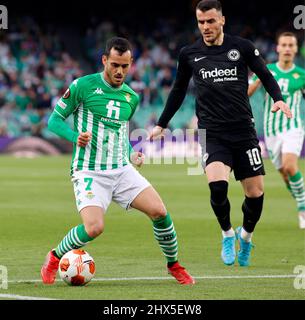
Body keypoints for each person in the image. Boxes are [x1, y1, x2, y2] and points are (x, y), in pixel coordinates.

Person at [40, 37, 194, 285]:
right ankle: (54, 257)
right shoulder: (82, 86)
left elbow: (120, 134)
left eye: (124, 66)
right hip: (89, 171)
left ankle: (174, 265)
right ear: (104, 61)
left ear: (131, 63)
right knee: (94, 228)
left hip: (121, 169)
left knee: (160, 212)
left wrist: (130, 153)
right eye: (114, 65)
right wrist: (74, 136)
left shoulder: (131, 97)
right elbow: (54, 121)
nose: (119, 71)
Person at [149, 0, 292, 267]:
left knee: (255, 193)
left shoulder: (242, 48)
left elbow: (266, 74)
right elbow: (178, 90)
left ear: (222, 20)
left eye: (210, 21)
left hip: (244, 131)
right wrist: (162, 123)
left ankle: (246, 236)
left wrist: (278, 99)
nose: (205, 27)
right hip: (212, 133)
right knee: (217, 186)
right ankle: (227, 233)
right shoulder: (189, 54)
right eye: (201, 22)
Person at [248, 32, 305, 229]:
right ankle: (300, 198)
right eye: (284, 45)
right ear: (278, 48)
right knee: (284, 173)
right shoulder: (266, 70)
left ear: (296, 49)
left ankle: (302, 207)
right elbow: (246, 93)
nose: (288, 48)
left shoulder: (302, 75)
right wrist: (258, 79)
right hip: (271, 131)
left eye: (291, 45)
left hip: (293, 127)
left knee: (290, 166)